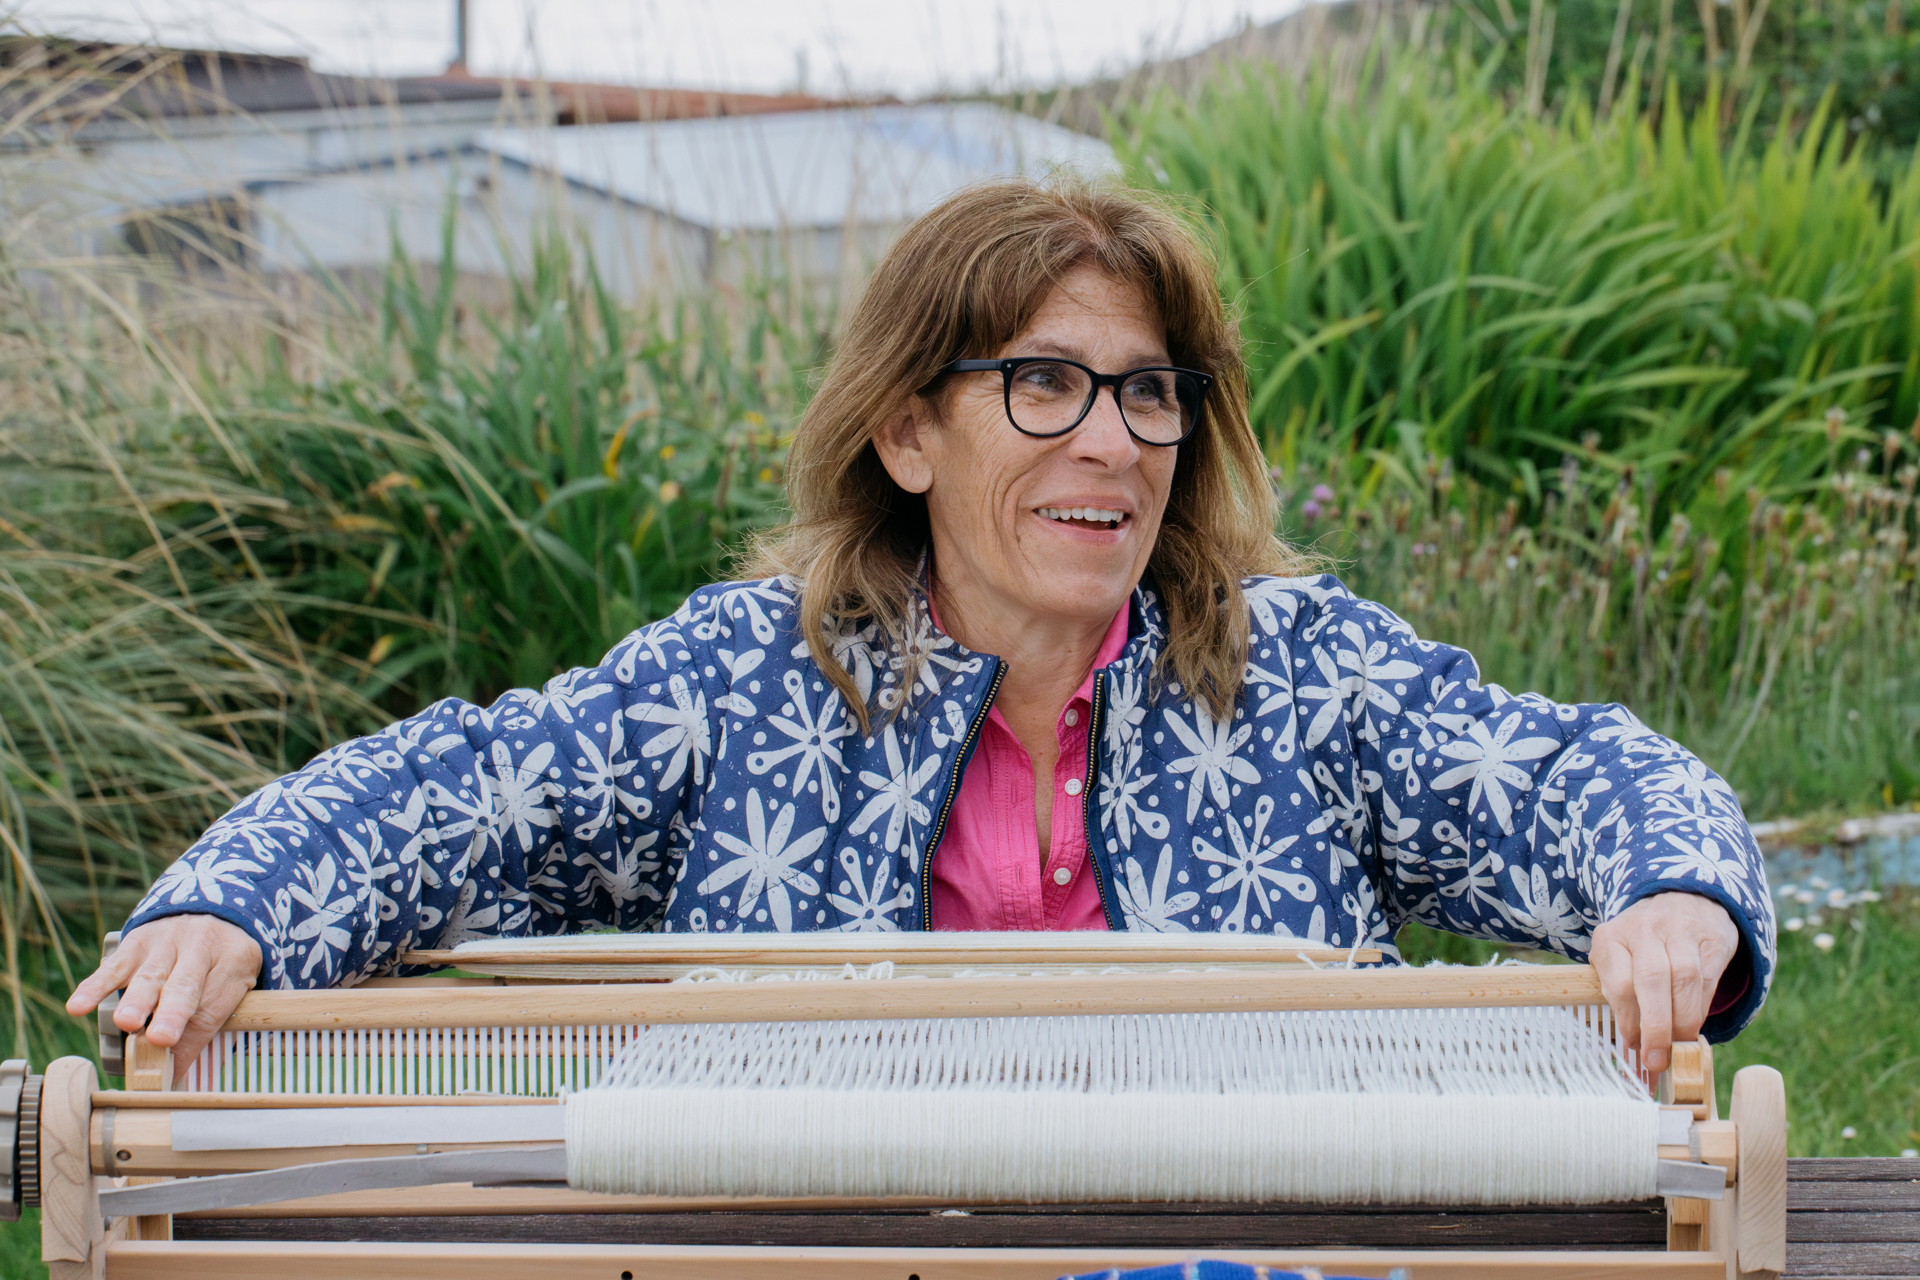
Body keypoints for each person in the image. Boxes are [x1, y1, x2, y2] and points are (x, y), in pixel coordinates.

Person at [68, 179, 1772, 1083]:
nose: (1113, 441)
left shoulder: (1297, 672)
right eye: (1042, 383)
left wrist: (1675, 892)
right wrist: (231, 911)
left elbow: (1573, 778)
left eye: (1152, 393)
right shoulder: (752, 679)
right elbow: (469, 790)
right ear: (906, 432)